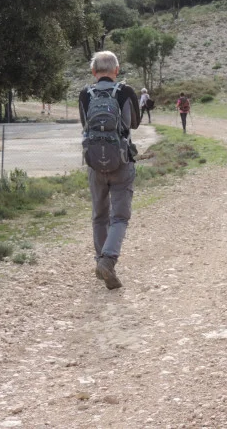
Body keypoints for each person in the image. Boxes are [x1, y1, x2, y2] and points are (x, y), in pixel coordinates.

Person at [79, 51, 140, 290]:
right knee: (120, 217)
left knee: (99, 215)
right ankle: (108, 261)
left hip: (95, 162)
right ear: (117, 70)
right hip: (122, 160)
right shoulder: (126, 91)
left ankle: (100, 260)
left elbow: (84, 124)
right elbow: (134, 123)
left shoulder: (85, 94)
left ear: (93, 72)